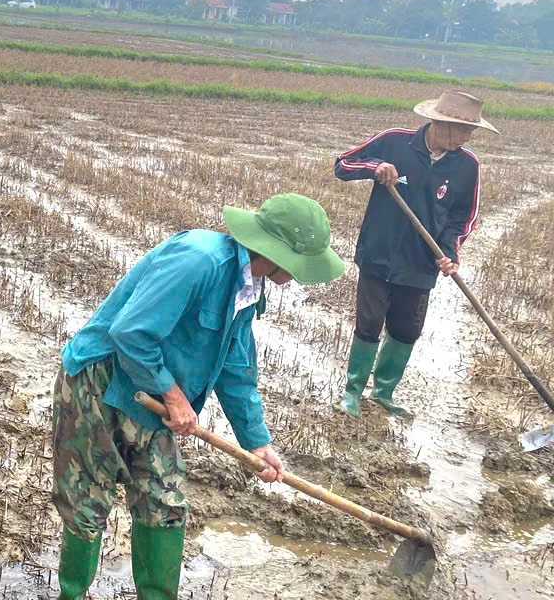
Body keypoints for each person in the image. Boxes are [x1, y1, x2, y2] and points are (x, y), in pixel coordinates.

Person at [51, 194, 344, 600]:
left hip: (151, 394)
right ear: (277, 251)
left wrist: (257, 442)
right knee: (87, 503)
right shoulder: (199, 260)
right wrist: (173, 396)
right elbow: (129, 333)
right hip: (100, 384)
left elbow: (236, 370)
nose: (298, 276)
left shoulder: (248, 287)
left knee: (164, 504)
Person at [334, 90, 493, 419]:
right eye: (462, 130)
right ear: (439, 123)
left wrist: (450, 252)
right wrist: (376, 166)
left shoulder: (467, 165)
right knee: (368, 323)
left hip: (421, 262)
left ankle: (384, 392)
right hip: (378, 254)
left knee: (407, 329)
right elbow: (343, 165)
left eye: (470, 132)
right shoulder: (395, 141)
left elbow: (462, 218)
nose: (466, 138)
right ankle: (352, 391)